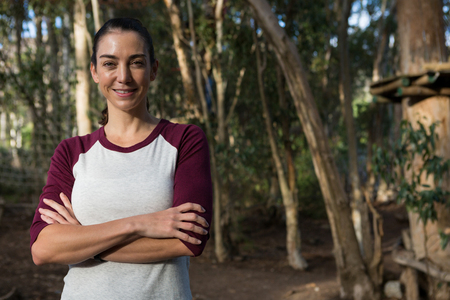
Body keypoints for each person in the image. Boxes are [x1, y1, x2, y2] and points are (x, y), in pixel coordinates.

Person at [30, 17, 212, 300]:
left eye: (137, 62)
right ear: (94, 71)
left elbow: (190, 241)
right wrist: (138, 224)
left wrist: (83, 240)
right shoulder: (71, 152)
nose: (123, 76)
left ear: (153, 70)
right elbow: (43, 248)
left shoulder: (184, 140)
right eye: (109, 63)